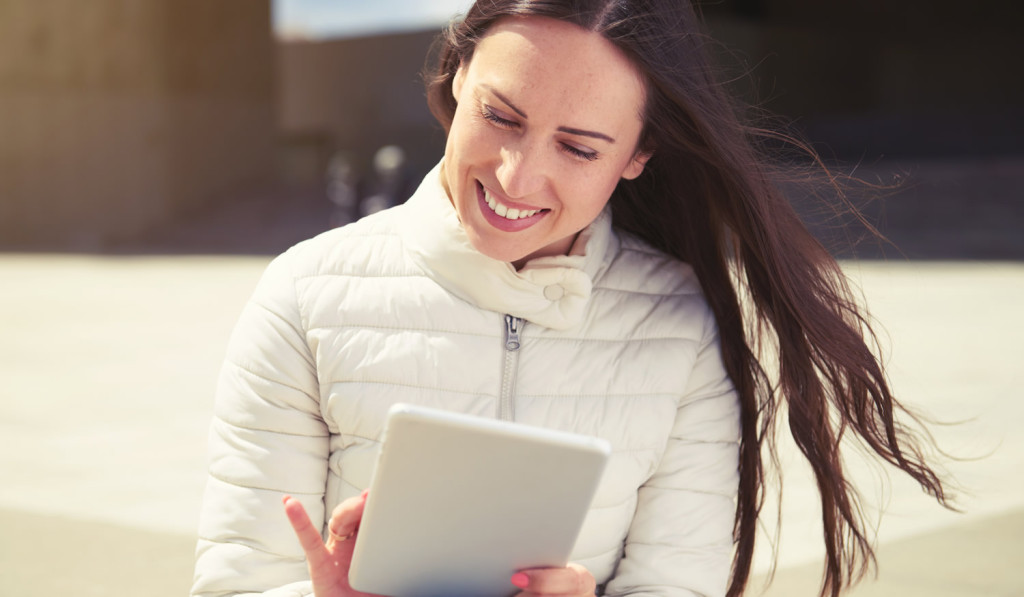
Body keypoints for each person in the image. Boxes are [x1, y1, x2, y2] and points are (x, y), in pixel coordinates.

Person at [192, 1, 953, 596]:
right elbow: (239, 577)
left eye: (580, 147)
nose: (518, 179)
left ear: (638, 155)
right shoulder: (305, 293)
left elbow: (673, 581)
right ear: (458, 74)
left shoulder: (680, 328)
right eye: (500, 115)